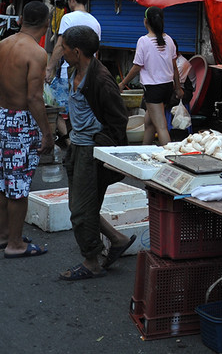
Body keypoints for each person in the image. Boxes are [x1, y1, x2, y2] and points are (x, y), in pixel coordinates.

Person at [57, 25, 136, 280]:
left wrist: (99, 146)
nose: (62, 52)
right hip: (77, 147)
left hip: (91, 151)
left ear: (77, 52)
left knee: (81, 210)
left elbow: (118, 120)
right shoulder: (74, 70)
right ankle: (118, 239)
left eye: (65, 48)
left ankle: (91, 261)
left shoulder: (101, 80)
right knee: (80, 206)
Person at [0, 1, 54, 259]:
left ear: (21, 19)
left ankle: (3, 235)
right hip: (21, 122)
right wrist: (47, 132)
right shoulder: (37, 52)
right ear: (46, 25)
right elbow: (34, 97)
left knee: (4, 182)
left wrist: (4, 92)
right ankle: (15, 244)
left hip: (3, 116)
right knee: (19, 186)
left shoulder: (6, 43)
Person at [45, 0, 102, 144]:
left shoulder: (68, 18)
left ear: (72, 0)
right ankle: (77, 139)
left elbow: (59, 46)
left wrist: (49, 68)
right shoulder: (95, 21)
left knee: (54, 107)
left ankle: (70, 141)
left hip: (68, 71)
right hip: (89, 72)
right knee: (81, 108)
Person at [119, 7, 182, 146]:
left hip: (153, 89)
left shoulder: (144, 41)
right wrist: (178, 88)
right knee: (149, 123)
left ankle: (169, 158)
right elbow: (174, 67)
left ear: (145, 21)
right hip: (167, 87)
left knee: (161, 127)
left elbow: (136, 67)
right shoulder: (169, 40)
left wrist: (122, 83)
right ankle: (144, 150)